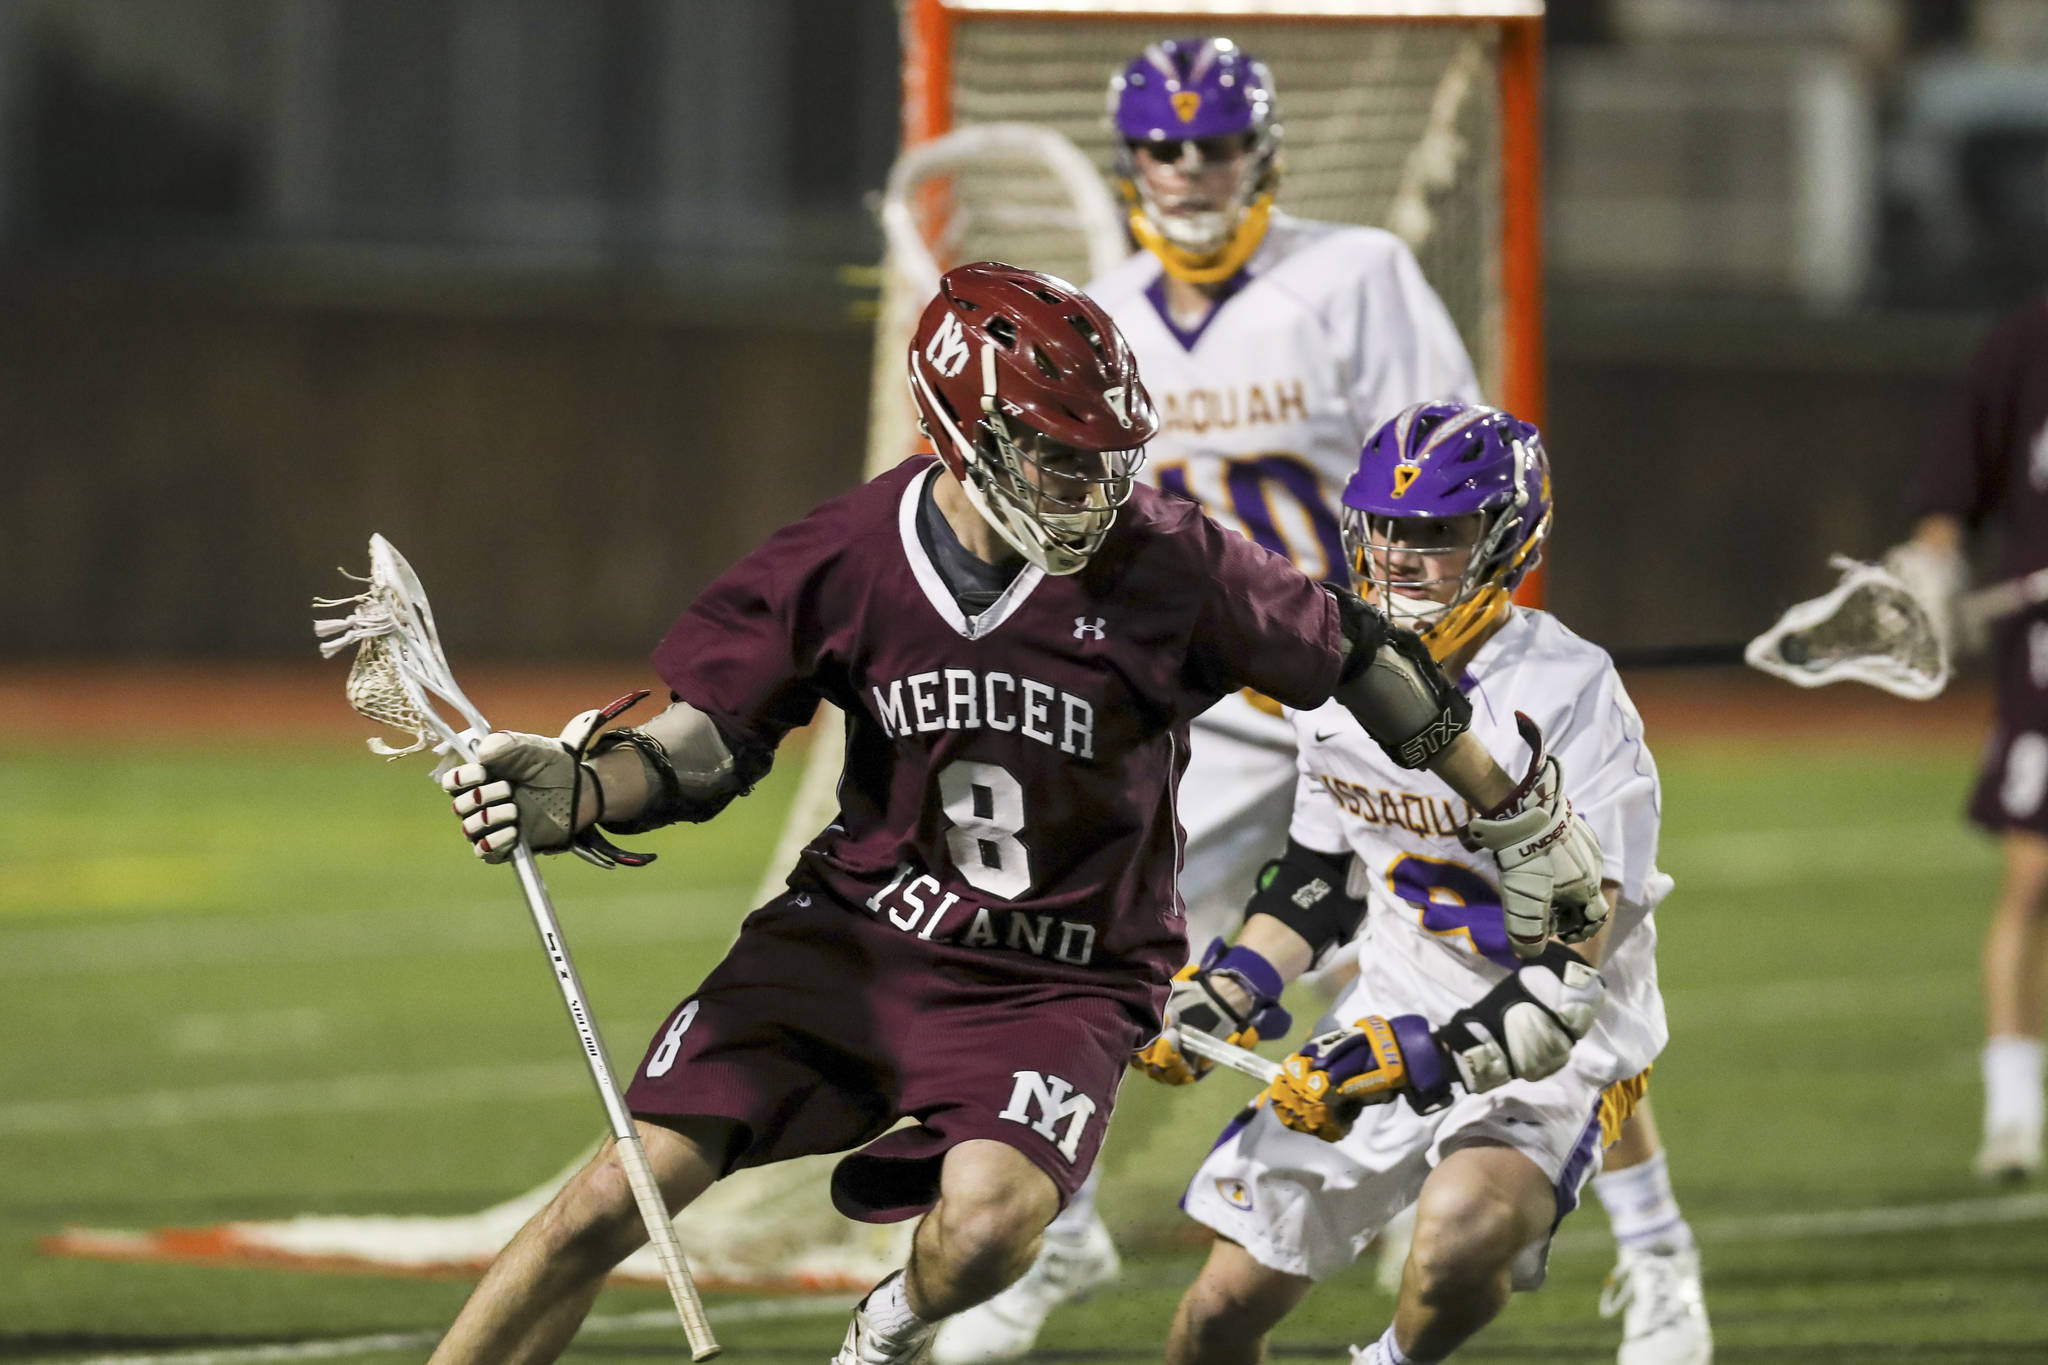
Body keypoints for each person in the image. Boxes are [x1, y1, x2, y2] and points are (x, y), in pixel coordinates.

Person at [421, 265, 1607, 1365]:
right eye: (1054, 455)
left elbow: (1360, 657)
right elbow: (709, 740)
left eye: (1103, 456)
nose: (1090, 487)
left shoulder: (1168, 564)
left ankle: (886, 1326)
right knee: (603, 1200)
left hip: (1063, 978)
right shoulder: (841, 557)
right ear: (958, 432)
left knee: (986, 1225)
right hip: (853, 940)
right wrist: (585, 788)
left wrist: (1515, 809)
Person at [934, 38, 1707, 1365]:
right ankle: (1048, 1232)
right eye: (1163, 147)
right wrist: (1232, 989)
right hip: (1219, 698)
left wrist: (1454, 656)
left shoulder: (1353, 277)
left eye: (1214, 142)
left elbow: (1447, 468)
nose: (1186, 169)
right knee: (1044, 942)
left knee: (1532, 938)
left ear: (1265, 152)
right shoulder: (1101, 314)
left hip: (1375, 684)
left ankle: (1654, 1249)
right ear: (1129, 163)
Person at [1155, 401, 1687, 1365]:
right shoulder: (1332, 675)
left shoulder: (1569, 694)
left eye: (1437, 532)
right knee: (1216, 1314)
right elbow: (1319, 877)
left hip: (1553, 1036)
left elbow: (1567, 978)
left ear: (1507, 539)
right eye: (1387, 525)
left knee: (1457, 1236)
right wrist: (1231, 987)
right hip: (1392, 1004)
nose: (1400, 554)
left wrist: (1408, 1056)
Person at [1891, 295, 2048, 1182]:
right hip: (2044, 660)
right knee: (2033, 874)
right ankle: (2015, 1113)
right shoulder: (2028, 343)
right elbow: (1955, 486)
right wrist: (1934, 569)